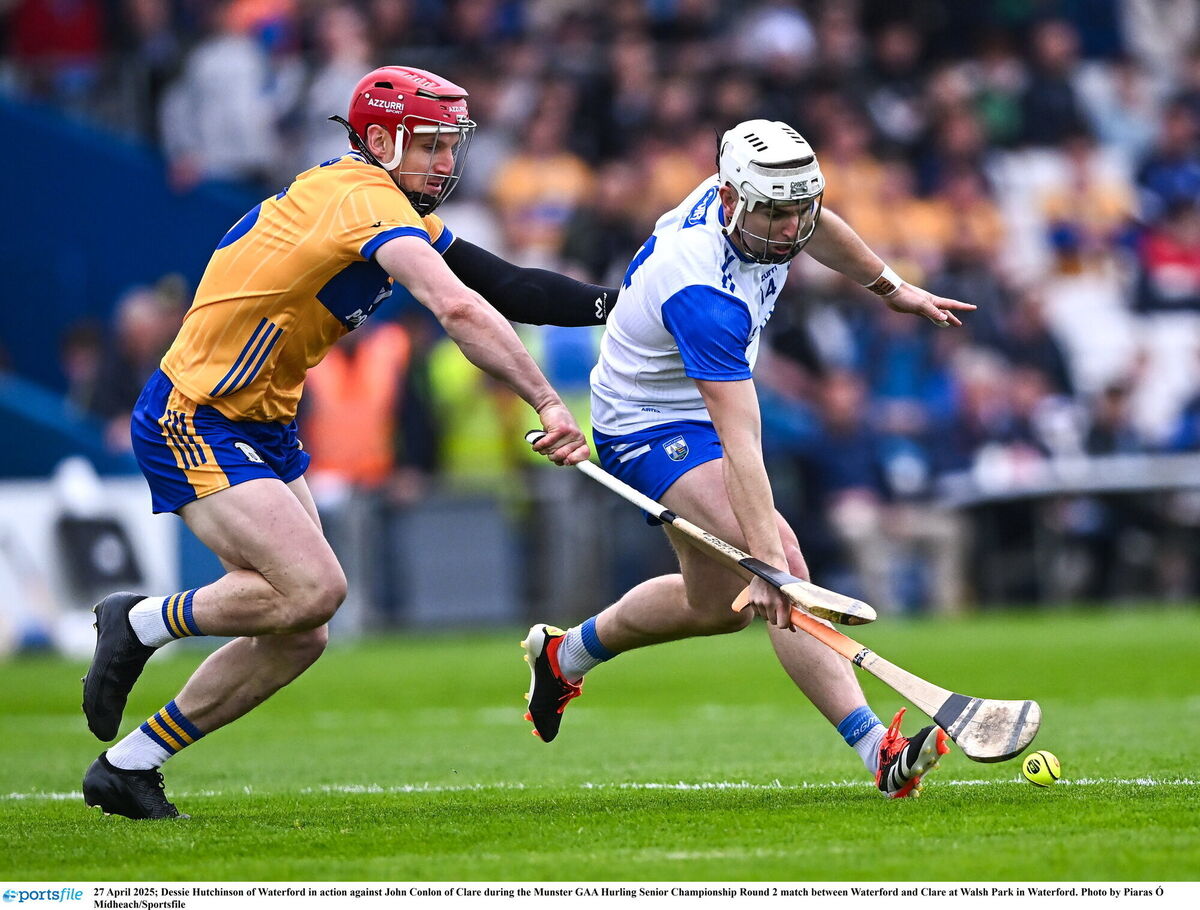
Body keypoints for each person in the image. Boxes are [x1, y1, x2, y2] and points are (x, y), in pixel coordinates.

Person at [81, 65, 617, 820]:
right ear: (376, 140)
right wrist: (545, 399)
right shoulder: (361, 199)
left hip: (262, 421)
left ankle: (130, 764)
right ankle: (138, 622)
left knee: (303, 631)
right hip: (195, 413)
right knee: (313, 590)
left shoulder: (382, 201)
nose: (445, 161)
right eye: (428, 144)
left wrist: (629, 307)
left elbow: (515, 287)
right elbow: (459, 310)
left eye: (449, 144)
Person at [523, 120, 975, 798]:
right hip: (650, 425)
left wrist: (891, 288)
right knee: (785, 568)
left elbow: (819, 227)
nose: (791, 230)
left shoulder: (762, 201)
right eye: (777, 213)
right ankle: (875, 750)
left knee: (717, 606)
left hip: (697, 408)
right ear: (733, 199)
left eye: (800, 209)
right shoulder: (703, 292)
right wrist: (768, 562)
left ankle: (566, 655)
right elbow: (740, 442)